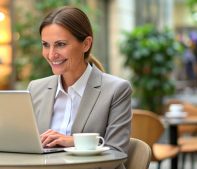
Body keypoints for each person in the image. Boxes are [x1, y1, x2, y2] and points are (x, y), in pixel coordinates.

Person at [27, 6, 132, 160]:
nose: (51, 54)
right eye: (46, 45)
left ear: (86, 44)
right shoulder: (35, 88)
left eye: (61, 44)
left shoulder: (116, 90)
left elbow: (116, 152)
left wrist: (72, 141)